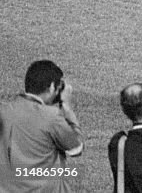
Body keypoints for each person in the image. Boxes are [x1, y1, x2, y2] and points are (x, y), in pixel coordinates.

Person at [0, 60, 84, 193]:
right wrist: (67, 108)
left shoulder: (4, 111)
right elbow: (76, 148)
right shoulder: (51, 116)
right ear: (51, 87)